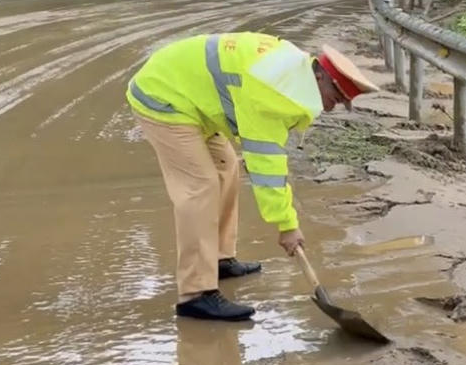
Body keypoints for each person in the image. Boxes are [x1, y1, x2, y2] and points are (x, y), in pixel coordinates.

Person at [126, 33, 379, 321]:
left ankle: (219, 259)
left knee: (227, 168)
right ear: (320, 76)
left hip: (191, 98)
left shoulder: (293, 72)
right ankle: (196, 294)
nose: (331, 107)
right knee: (200, 186)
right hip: (163, 97)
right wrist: (287, 226)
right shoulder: (273, 94)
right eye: (334, 98)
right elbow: (267, 170)